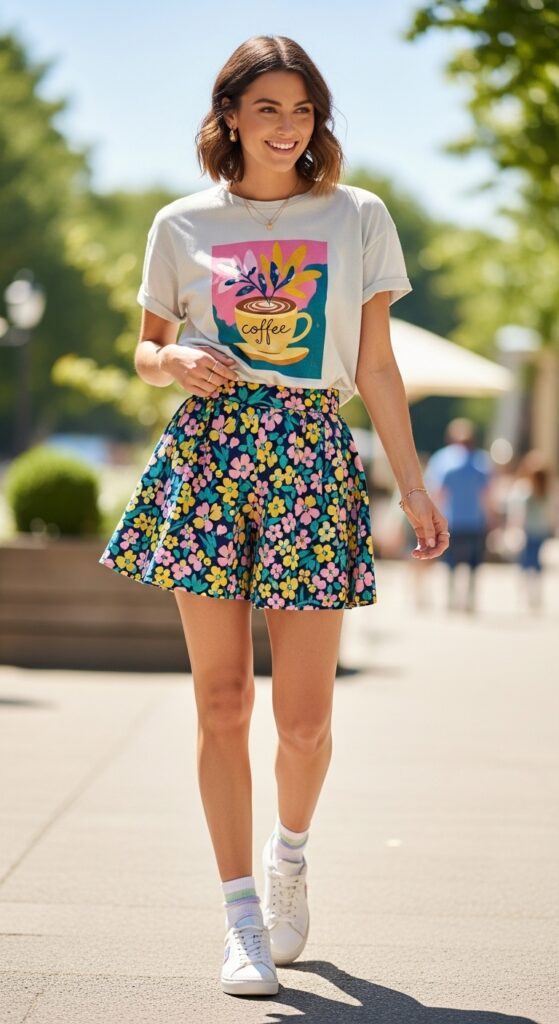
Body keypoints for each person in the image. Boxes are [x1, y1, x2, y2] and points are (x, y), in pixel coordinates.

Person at [98, 35, 449, 998]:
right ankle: (241, 916)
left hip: (308, 453)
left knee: (303, 722)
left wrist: (411, 485)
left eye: (301, 109)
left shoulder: (357, 215)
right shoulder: (181, 223)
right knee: (221, 702)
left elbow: (375, 363)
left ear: (316, 119)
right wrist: (170, 363)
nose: (286, 125)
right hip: (209, 454)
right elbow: (145, 349)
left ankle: (288, 856)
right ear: (229, 120)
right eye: (266, 109)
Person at [424, 418, 493, 613]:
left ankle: (452, 598)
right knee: (474, 563)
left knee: (450, 562)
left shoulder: (442, 460)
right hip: (475, 520)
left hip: (451, 520)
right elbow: (487, 495)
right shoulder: (482, 462)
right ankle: (469, 599)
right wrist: (492, 518)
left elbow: (437, 493)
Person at [505, 449, 557, 611]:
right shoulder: (547, 490)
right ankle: (534, 594)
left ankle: (525, 593)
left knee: (526, 561)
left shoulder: (523, 489)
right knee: (536, 561)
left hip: (528, 531)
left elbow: (517, 512)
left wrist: (513, 529)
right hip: (540, 530)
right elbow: (552, 511)